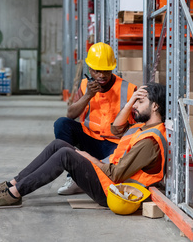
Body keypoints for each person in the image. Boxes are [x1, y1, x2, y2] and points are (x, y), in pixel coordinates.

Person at [0, 82, 167, 209]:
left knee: (66, 155)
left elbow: (117, 174)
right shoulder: (143, 126)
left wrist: (90, 158)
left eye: (140, 102)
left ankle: (15, 194)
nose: (135, 106)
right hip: (109, 176)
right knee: (59, 144)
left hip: (114, 190)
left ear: (155, 106)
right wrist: (131, 102)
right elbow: (117, 129)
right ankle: (13, 183)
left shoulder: (150, 141)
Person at [55, 42, 137, 195]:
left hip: (115, 145)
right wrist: (87, 96)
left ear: (112, 67)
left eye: (106, 70)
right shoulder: (85, 85)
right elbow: (70, 114)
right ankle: (74, 176)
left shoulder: (128, 88)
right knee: (62, 124)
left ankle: (93, 176)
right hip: (89, 140)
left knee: (112, 174)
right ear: (90, 70)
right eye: (97, 71)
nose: (102, 75)